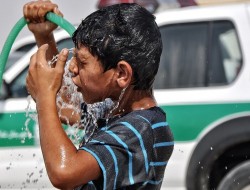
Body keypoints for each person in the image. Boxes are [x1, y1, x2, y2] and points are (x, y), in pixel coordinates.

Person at [23, 1, 174, 189]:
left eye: (82, 62)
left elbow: (64, 172)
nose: (71, 68)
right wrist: (44, 36)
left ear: (121, 74)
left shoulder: (139, 130)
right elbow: (62, 107)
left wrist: (44, 95)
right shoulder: (113, 109)